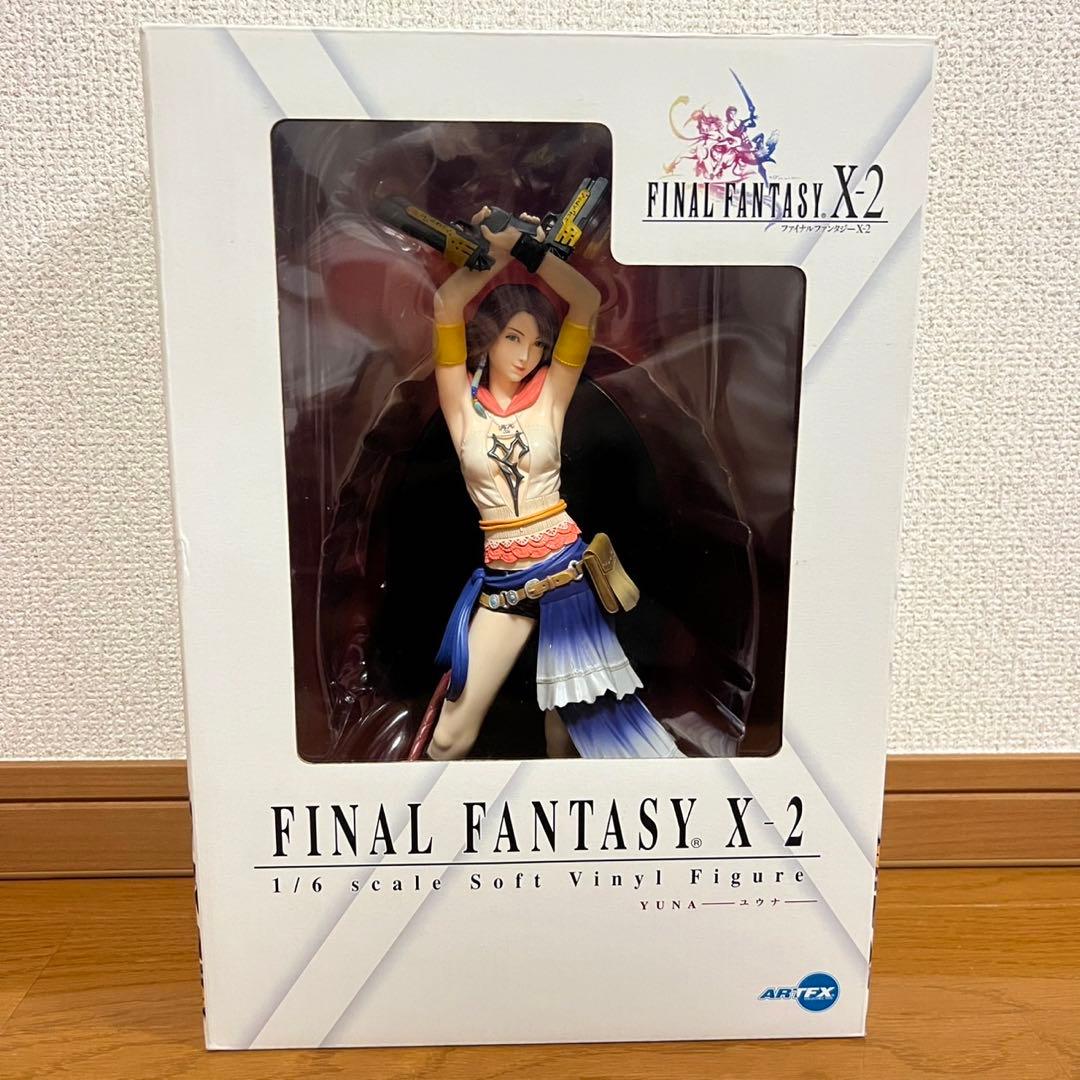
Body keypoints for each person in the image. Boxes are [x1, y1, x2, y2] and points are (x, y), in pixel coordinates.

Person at [422, 206, 681, 760]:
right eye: (513, 337)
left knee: (570, 738)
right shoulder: (461, 406)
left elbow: (587, 300)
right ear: (488, 339)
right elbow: (445, 303)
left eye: (538, 344)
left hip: (566, 574)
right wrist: (495, 252)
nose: (526, 355)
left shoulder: (552, 397)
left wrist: (528, 250)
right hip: (505, 581)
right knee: (448, 738)